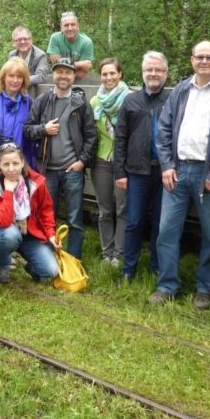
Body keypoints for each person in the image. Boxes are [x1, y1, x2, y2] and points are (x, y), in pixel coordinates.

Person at [150, 40, 210, 308]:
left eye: (209, 57)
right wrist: (166, 165)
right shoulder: (181, 89)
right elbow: (164, 129)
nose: (203, 61)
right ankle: (167, 285)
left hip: (207, 173)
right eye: (199, 57)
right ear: (191, 60)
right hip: (176, 171)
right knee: (166, 231)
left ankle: (205, 287)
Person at [24, 58, 97, 260]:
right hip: (47, 170)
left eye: (68, 72)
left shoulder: (81, 104)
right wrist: (43, 130)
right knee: (47, 217)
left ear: (73, 76)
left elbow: (91, 136)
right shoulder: (43, 101)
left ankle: (73, 260)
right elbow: (27, 130)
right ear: (53, 75)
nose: (63, 76)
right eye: (59, 72)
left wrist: (82, 162)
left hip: (72, 170)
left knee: (75, 219)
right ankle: (48, 259)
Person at [114, 51, 170, 281]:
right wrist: (120, 172)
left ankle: (158, 268)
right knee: (134, 222)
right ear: (142, 72)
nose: (153, 74)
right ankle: (128, 270)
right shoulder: (131, 100)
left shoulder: (173, 100)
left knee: (160, 223)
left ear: (166, 73)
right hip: (136, 172)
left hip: (165, 172)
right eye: (149, 70)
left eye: (158, 70)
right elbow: (120, 138)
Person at [0, 143, 60, 284]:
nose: (11, 169)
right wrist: (8, 191)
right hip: (4, 233)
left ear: (23, 163)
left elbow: (46, 210)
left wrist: (51, 234)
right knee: (10, 235)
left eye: (15, 163)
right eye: (6, 164)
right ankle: (3, 265)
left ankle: (31, 266)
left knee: (51, 271)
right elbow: (3, 221)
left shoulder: (36, 183)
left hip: (29, 235)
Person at [90, 57, 130, 266]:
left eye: (112, 73)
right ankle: (107, 252)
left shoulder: (131, 99)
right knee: (105, 210)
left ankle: (119, 253)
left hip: (123, 163)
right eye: (105, 74)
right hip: (101, 161)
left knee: (123, 209)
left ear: (120, 74)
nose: (109, 77)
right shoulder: (95, 102)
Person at [0, 58, 37, 168]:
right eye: (11, 76)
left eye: (19, 77)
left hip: (19, 163)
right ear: (4, 77)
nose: (15, 80)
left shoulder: (29, 103)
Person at [46, 12, 93, 79]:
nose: (70, 28)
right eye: (66, 25)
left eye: (73, 25)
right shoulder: (55, 38)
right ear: (61, 28)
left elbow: (83, 71)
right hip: (58, 79)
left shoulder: (86, 42)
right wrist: (79, 64)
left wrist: (64, 65)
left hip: (78, 80)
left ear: (78, 26)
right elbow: (57, 66)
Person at [8, 25, 49, 97]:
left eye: (25, 39)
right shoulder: (12, 55)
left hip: (34, 94)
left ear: (31, 40)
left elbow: (41, 76)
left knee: (31, 86)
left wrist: (21, 80)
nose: (23, 42)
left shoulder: (40, 55)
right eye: (19, 40)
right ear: (14, 42)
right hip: (15, 91)